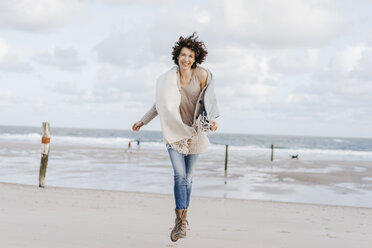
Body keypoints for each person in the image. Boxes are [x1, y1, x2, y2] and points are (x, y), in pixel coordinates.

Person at [132, 33, 219, 242]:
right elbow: (158, 105)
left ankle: (183, 219)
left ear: (195, 58)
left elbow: (210, 101)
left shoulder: (202, 75)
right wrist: (143, 121)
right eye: (183, 55)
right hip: (174, 133)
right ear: (177, 57)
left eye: (190, 56)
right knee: (180, 175)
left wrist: (213, 120)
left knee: (188, 178)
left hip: (196, 132)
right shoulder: (167, 79)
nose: (186, 59)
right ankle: (180, 223)